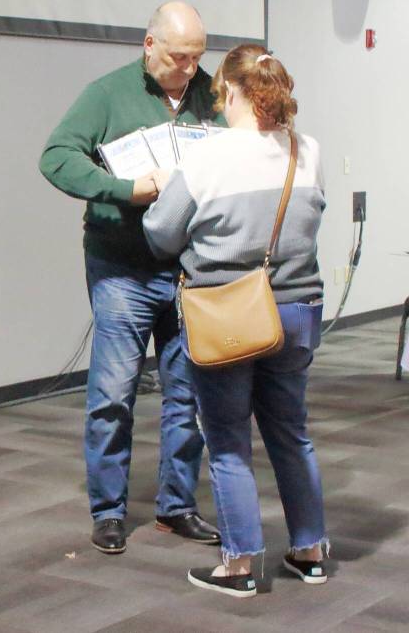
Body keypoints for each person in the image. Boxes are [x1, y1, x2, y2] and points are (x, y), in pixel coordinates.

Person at [144, 45, 328, 598]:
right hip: (297, 312)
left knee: (226, 441)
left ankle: (241, 563)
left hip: (227, 313)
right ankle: (311, 550)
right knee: (291, 435)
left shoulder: (207, 158)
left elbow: (160, 232)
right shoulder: (308, 149)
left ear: (232, 92)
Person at [39, 1, 222, 554]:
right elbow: (55, 157)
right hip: (122, 268)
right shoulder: (106, 93)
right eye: (177, 58)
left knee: (188, 395)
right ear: (149, 46)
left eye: (196, 58)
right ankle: (109, 511)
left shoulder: (212, 93)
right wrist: (126, 190)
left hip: (192, 268)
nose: (188, 70)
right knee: (113, 396)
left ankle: (177, 506)